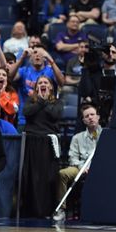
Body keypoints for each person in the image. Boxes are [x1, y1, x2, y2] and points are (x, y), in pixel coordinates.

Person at [21, 76, 63, 218]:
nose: (43, 84)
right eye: (40, 83)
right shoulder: (30, 100)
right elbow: (27, 112)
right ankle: (29, 211)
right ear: (36, 87)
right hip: (31, 142)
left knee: (47, 177)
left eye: (46, 82)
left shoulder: (57, 102)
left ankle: (46, 210)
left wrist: (43, 101)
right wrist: (40, 100)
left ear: (51, 87)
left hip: (47, 143)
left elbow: (55, 114)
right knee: (31, 176)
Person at [53, 103, 101, 221]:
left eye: (92, 114)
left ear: (98, 117)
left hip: (100, 168)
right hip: (80, 168)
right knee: (63, 173)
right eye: (87, 116)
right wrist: (82, 168)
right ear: (83, 120)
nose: (90, 117)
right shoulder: (77, 138)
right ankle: (62, 209)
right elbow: (72, 158)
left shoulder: (106, 135)